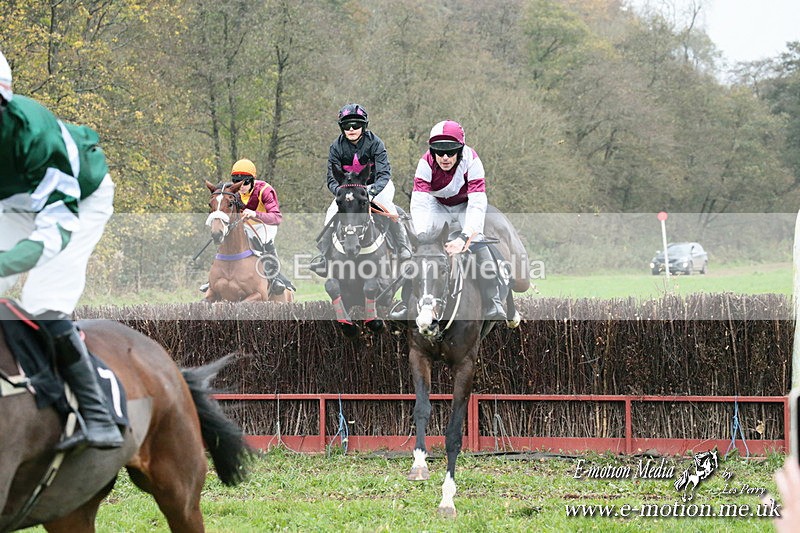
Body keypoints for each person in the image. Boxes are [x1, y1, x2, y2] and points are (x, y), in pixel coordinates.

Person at [0, 50, 124, 450]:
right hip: (15, 200)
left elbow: (56, 228)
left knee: (42, 300)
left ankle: (97, 414)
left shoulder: (34, 135)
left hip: (77, 200)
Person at [389, 119, 506, 321]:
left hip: (465, 205)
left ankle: (493, 299)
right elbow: (420, 202)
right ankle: (405, 300)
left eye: (450, 152)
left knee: (478, 244)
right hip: (438, 206)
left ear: (460, 150)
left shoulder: (473, 161)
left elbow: (478, 202)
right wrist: (424, 236)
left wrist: (464, 237)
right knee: (422, 252)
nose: (444, 157)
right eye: (439, 151)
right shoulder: (425, 162)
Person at [309, 103, 411, 276]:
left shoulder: (375, 143)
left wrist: (371, 192)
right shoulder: (336, 147)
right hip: (348, 189)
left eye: (356, 125)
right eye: (346, 126)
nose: (351, 129)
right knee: (332, 210)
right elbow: (331, 178)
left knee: (388, 206)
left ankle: (403, 247)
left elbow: (384, 173)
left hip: (376, 186)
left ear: (363, 126)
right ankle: (324, 257)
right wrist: (340, 193)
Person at [201, 158, 291, 294]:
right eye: (236, 181)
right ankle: (213, 280)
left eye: (245, 182)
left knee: (264, 242)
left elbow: (277, 218)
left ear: (253, 180)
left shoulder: (265, 190)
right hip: (242, 225)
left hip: (265, 224)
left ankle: (275, 277)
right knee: (228, 240)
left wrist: (255, 214)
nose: (241, 186)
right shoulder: (232, 192)